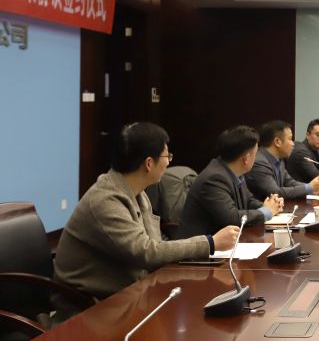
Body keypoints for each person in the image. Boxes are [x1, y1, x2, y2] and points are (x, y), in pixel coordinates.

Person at [54, 123, 239, 300]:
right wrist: (210, 243)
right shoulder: (104, 200)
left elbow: (154, 247)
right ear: (149, 163)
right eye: (167, 156)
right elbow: (147, 253)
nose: (169, 162)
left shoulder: (138, 192)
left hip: (129, 291)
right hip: (90, 305)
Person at [178, 126, 283, 238]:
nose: (256, 158)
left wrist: (271, 205)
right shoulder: (214, 178)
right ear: (246, 159)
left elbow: (248, 200)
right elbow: (232, 218)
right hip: (203, 245)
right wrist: (266, 211)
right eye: (255, 154)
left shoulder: (233, 170)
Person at [246, 120, 319, 202]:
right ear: (277, 142)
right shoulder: (259, 163)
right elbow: (275, 192)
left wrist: (315, 187)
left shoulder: (279, 158)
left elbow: (289, 182)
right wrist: (309, 188)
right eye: (290, 139)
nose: (293, 144)